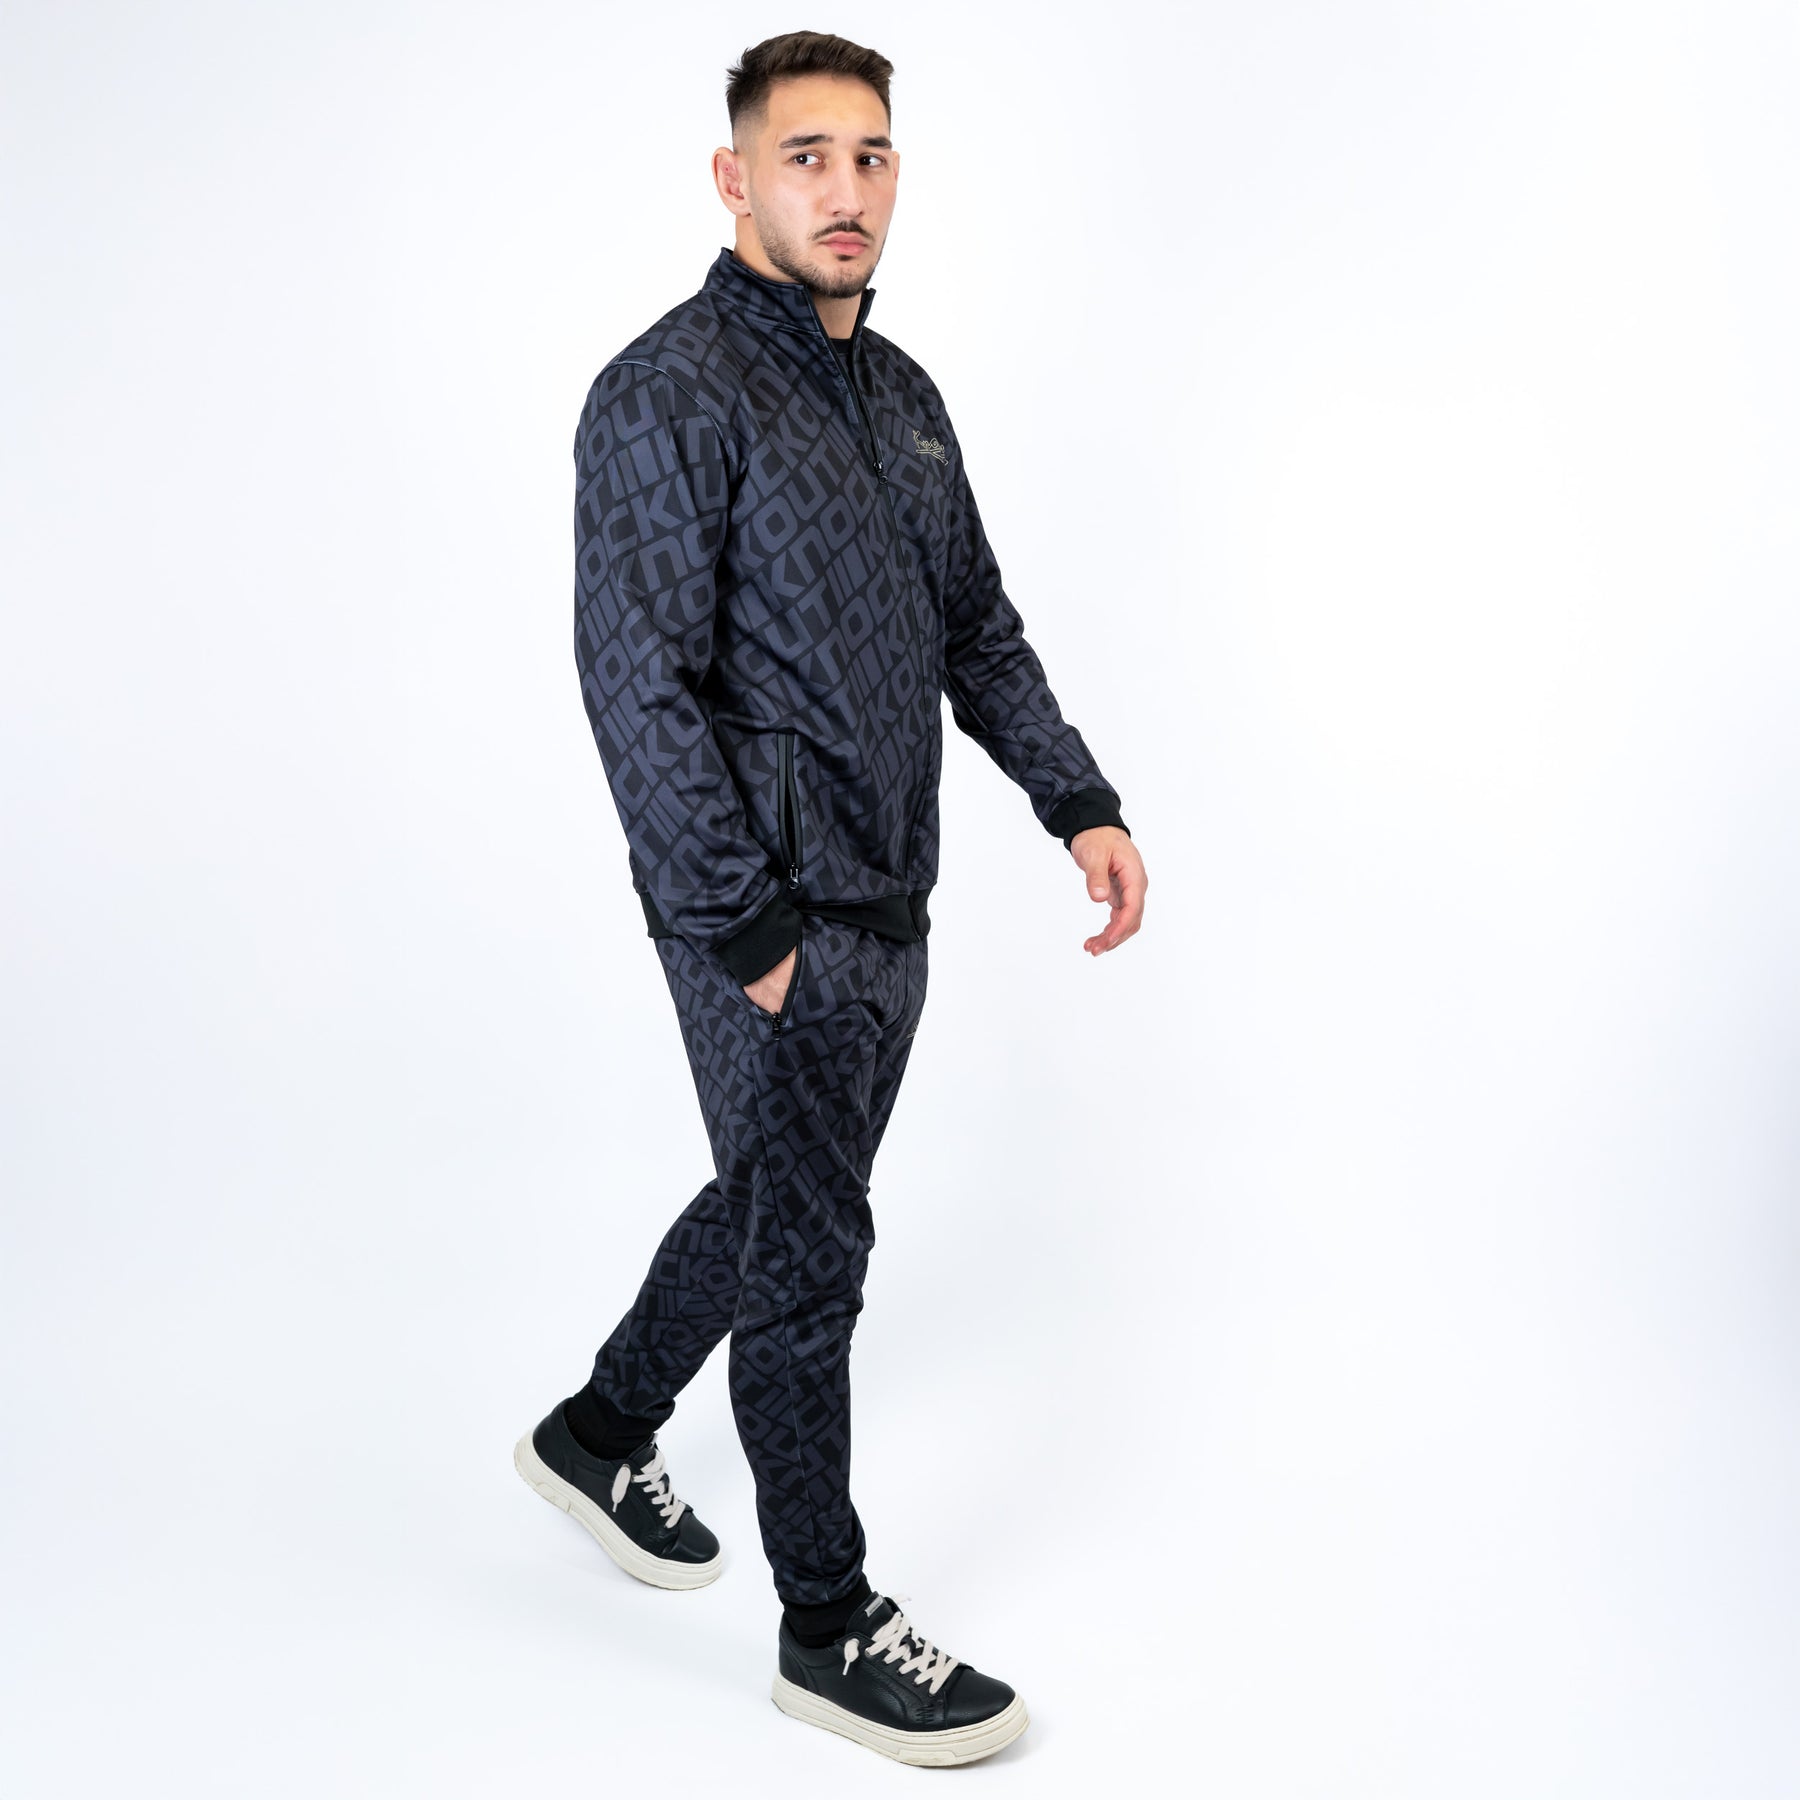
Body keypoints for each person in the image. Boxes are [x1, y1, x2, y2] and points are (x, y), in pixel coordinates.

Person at [514, 28, 1147, 1767]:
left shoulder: (907, 399)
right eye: (805, 156)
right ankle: (828, 1623)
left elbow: (975, 632)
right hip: (758, 912)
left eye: (869, 155)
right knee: (812, 1256)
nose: (843, 188)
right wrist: (747, 931)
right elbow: (635, 684)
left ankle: (598, 1432)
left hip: (888, 895)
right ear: (736, 179)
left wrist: (1077, 799)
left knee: (779, 1195)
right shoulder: (667, 391)